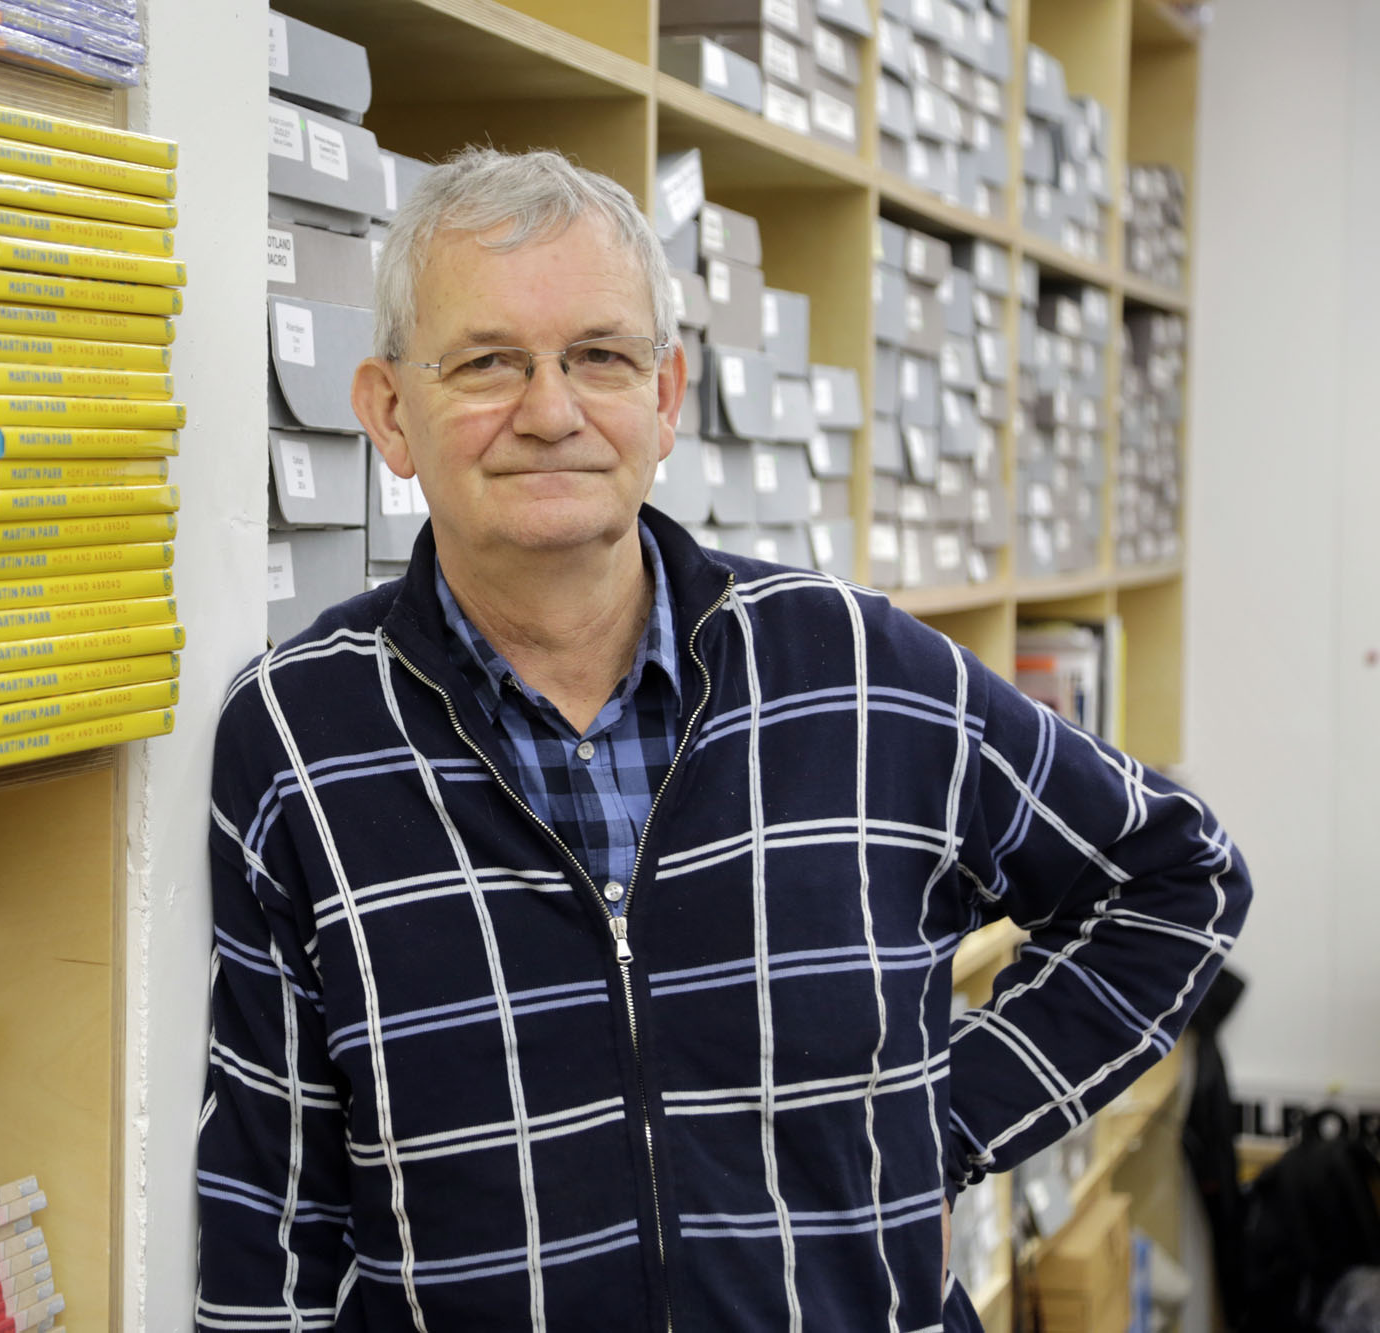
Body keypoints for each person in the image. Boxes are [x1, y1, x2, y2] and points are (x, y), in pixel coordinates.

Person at [198, 146, 1249, 1333]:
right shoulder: (298, 734)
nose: (549, 412)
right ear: (390, 412)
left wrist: (941, 1121)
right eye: (488, 362)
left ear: (664, 398)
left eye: (598, 356)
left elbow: (1175, 879)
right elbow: (268, 1196)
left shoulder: (855, 673)